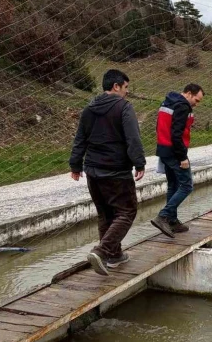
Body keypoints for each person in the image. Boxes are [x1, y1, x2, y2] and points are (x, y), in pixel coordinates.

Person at [69, 69, 146, 276]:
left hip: (93, 171)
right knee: (126, 212)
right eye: (126, 87)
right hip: (116, 171)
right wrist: (139, 163)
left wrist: (75, 165)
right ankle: (102, 251)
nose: (127, 92)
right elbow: (133, 138)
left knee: (105, 214)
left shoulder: (89, 109)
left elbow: (80, 139)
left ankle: (114, 255)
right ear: (116, 86)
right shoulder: (124, 107)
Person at [151, 83, 204, 237]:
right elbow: (176, 134)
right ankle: (163, 216)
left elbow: (159, 126)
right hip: (175, 152)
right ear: (189, 93)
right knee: (187, 185)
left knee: (173, 185)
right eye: (196, 100)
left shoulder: (168, 102)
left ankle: (172, 221)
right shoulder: (182, 106)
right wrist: (182, 157)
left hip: (164, 149)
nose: (196, 104)